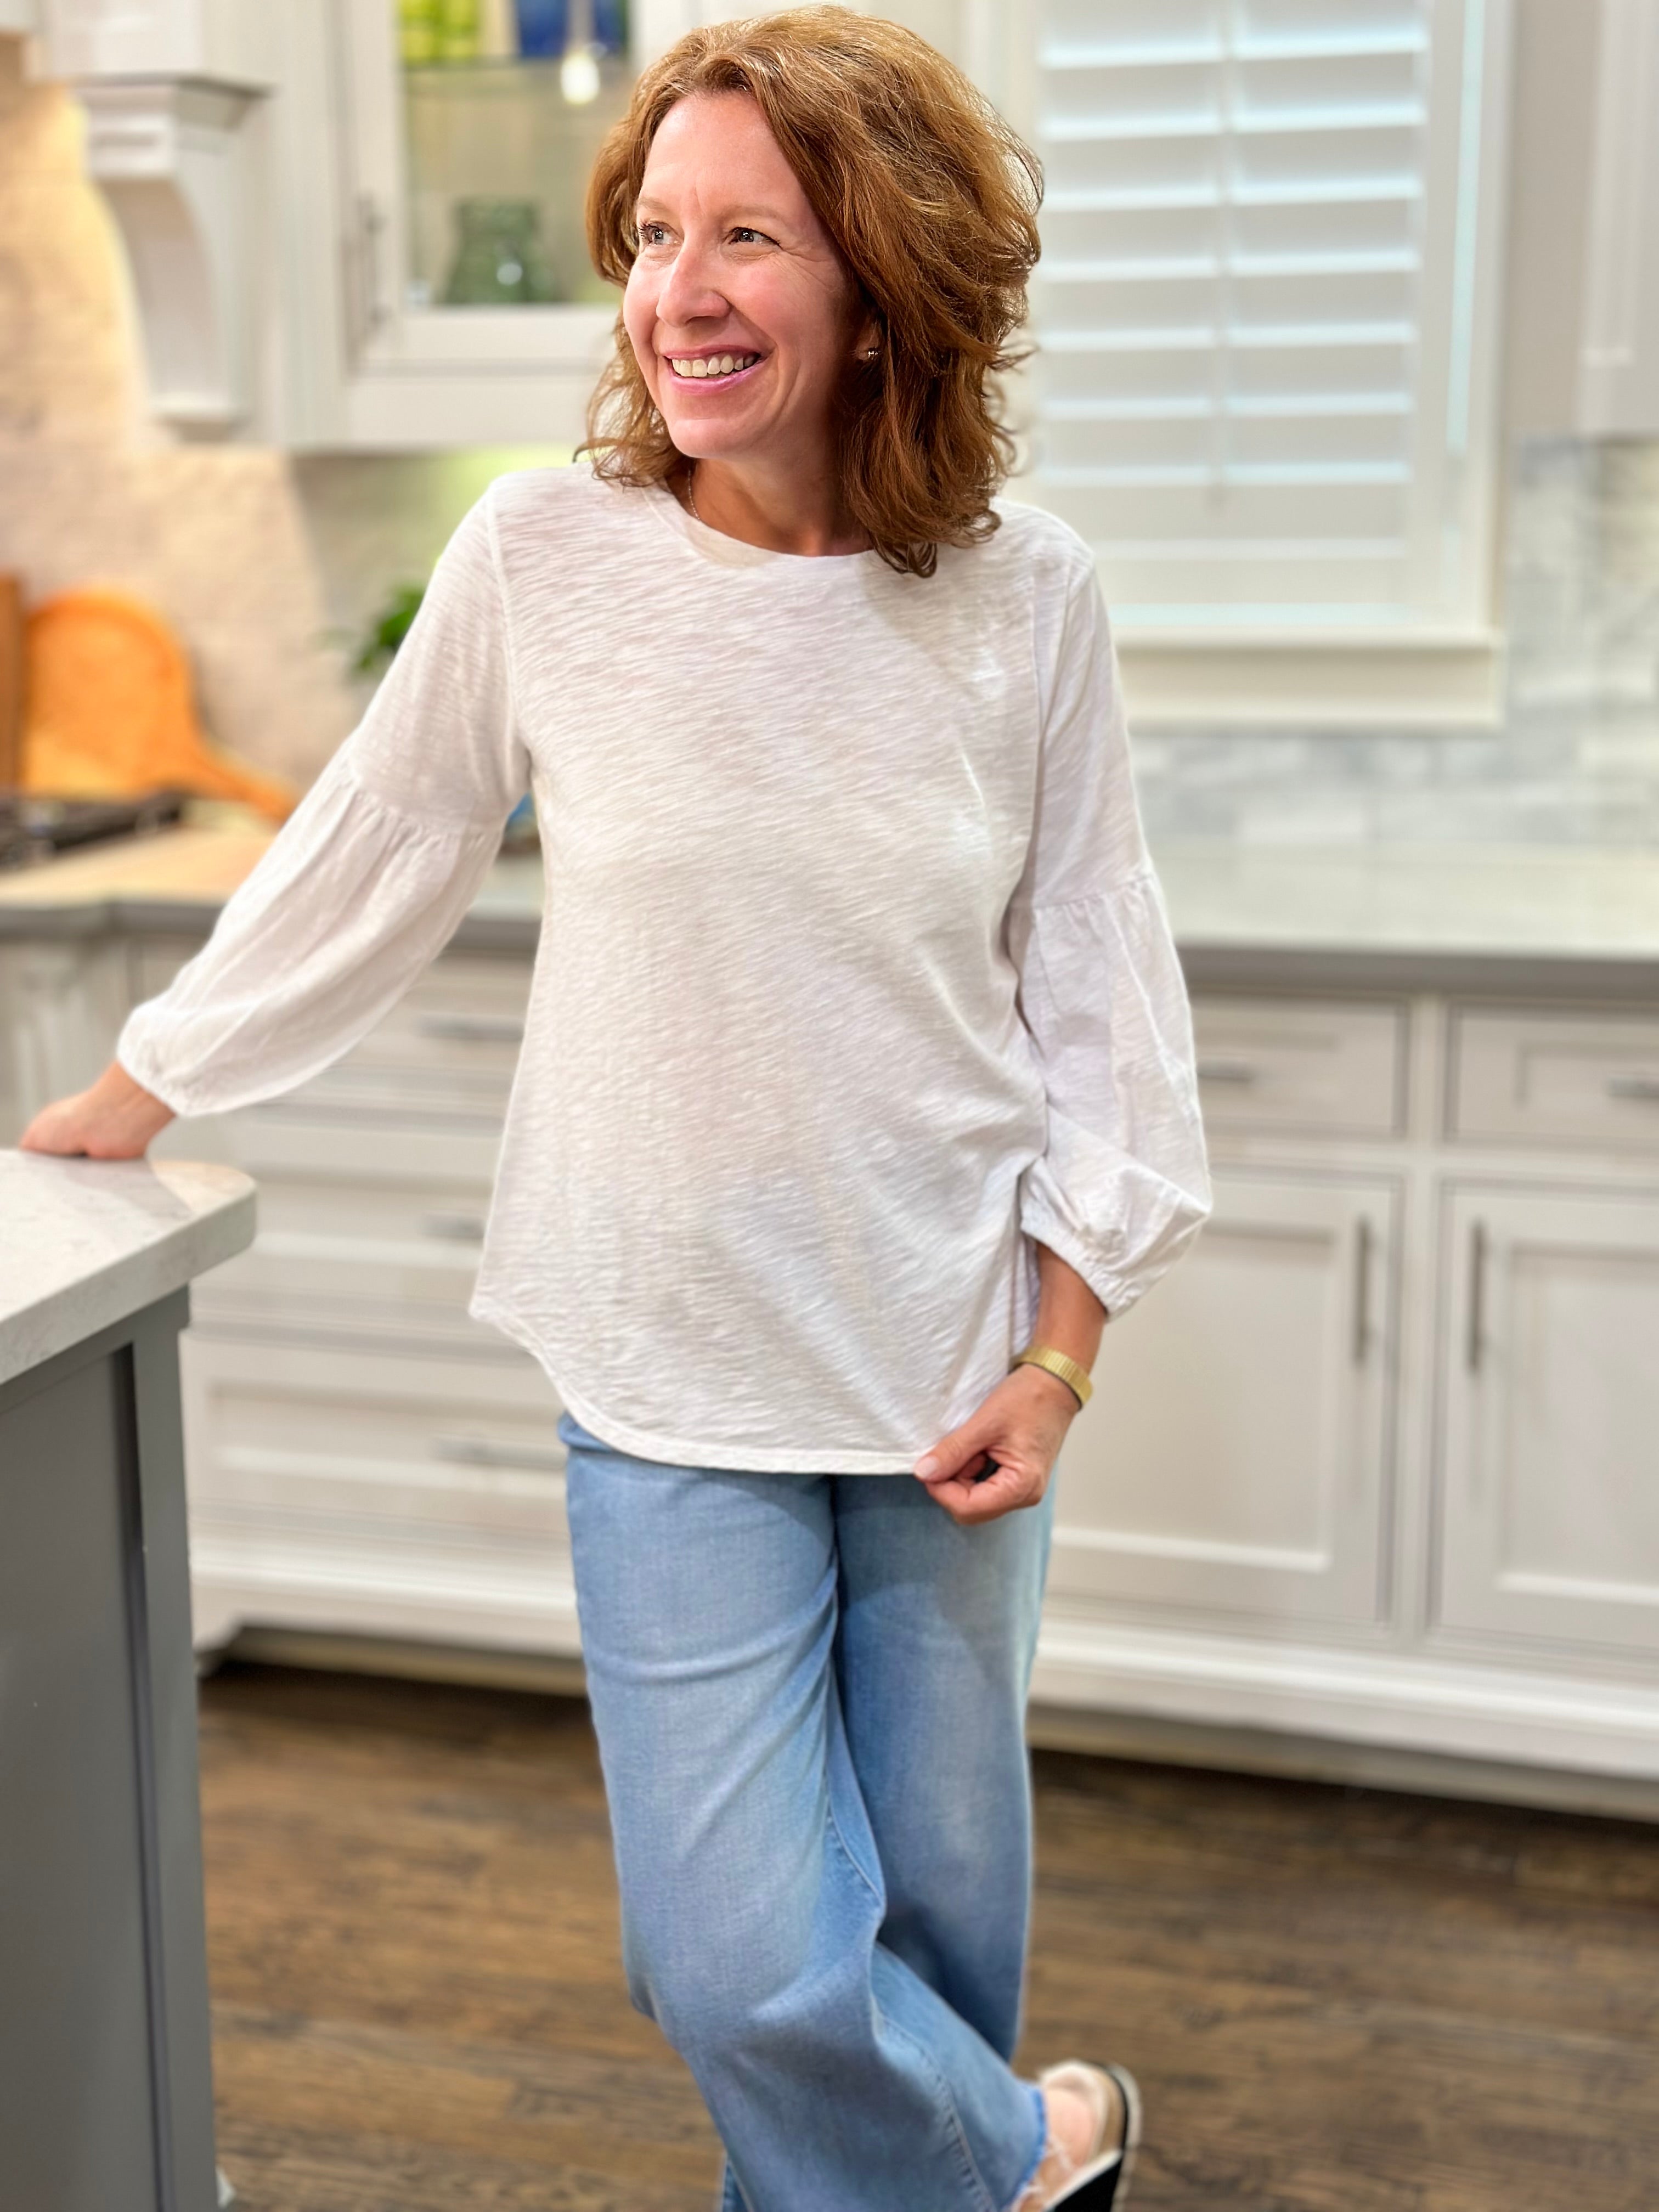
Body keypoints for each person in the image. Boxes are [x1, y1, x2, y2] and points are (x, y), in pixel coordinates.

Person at [20, 9, 1212, 2206]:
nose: (679, 291)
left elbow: (1096, 988)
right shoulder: (542, 561)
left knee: (930, 1940)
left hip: (946, 1368)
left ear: (885, 283)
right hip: (664, 1365)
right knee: (743, 1966)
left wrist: (1061, 1355)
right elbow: (378, 847)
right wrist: (138, 1085)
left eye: (749, 235)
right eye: (656, 235)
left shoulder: (1026, 597)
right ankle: (1037, 2148)